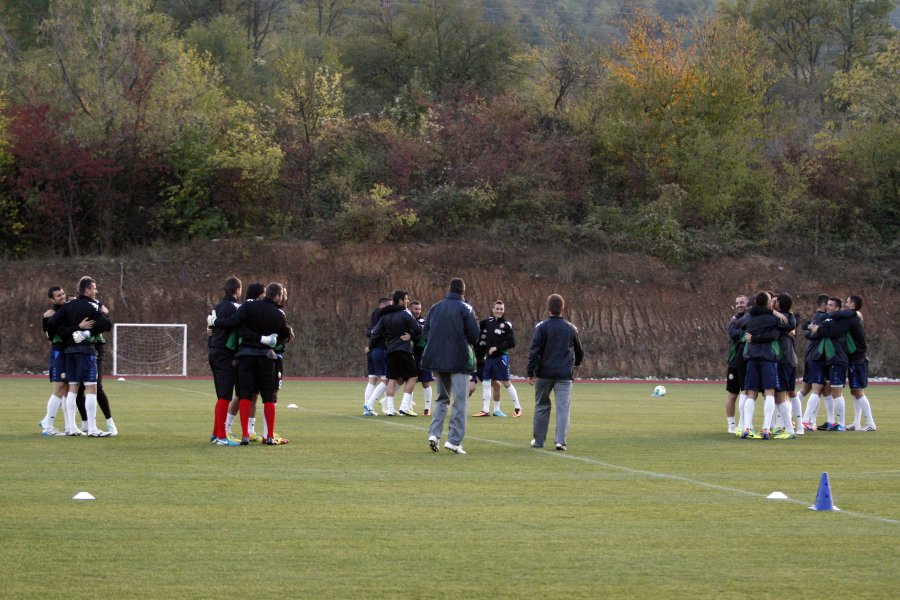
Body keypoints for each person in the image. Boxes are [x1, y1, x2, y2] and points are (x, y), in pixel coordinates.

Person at [46, 276, 113, 437]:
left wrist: (47, 319)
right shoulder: (90, 306)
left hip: (69, 353)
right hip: (85, 352)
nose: (96, 291)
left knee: (73, 389)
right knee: (91, 388)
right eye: (94, 288)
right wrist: (87, 331)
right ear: (87, 290)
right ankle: (92, 428)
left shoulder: (67, 307)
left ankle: (71, 427)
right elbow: (106, 325)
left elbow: (52, 325)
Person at [421, 278, 480, 454]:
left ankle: (434, 434)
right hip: (459, 360)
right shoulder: (466, 308)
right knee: (460, 401)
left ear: (449, 289)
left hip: (438, 360)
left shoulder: (435, 307)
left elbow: (426, 333)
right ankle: (454, 440)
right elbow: (474, 335)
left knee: (442, 398)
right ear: (463, 291)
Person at [234, 282, 293, 445]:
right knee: (269, 397)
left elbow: (239, 328)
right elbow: (282, 338)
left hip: (246, 356)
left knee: (245, 395)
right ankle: (268, 437)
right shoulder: (278, 314)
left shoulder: (248, 307)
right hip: (267, 357)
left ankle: (245, 434)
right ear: (277, 296)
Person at [526, 293, 584, 451]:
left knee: (541, 405)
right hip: (564, 375)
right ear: (562, 308)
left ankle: (538, 440)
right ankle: (560, 441)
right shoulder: (570, 328)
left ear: (548, 308)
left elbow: (534, 351)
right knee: (563, 407)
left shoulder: (541, 327)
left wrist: (531, 371)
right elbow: (580, 351)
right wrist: (576, 366)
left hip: (544, 374)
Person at [739, 292, 794, 440]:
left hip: (751, 356)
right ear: (768, 303)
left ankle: (747, 427)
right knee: (770, 392)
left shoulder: (749, 316)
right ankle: (765, 428)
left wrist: (753, 336)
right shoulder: (773, 318)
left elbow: (739, 323)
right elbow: (789, 326)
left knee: (751, 393)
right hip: (768, 357)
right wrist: (774, 313)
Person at [366, 290, 422, 416]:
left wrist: (370, 346)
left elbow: (375, 333)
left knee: (392, 379)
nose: (407, 301)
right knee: (413, 376)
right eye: (406, 299)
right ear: (401, 300)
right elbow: (418, 328)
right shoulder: (405, 313)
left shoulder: (384, 316)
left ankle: (390, 409)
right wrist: (411, 335)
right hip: (404, 350)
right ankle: (404, 406)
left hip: (390, 350)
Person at [206, 276, 243, 446]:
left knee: (221, 396)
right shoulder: (237, 307)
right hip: (226, 354)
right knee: (225, 396)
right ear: (237, 290)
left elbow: (211, 330)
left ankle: (216, 433)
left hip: (213, 351)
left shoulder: (217, 307)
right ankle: (222, 436)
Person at [809, 297, 853, 431]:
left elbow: (833, 332)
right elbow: (809, 328)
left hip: (837, 359)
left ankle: (841, 424)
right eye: (827, 305)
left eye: (832, 305)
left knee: (837, 392)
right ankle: (832, 421)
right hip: (829, 359)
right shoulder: (827, 318)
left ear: (838, 308)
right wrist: (814, 328)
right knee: (828, 390)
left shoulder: (842, 321)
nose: (828, 307)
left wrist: (818, 329)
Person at [39, 285, 70, 436]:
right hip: (59, 353)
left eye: (63, 293)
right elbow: (50, 334)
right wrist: (45, 320)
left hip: (69, 353)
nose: (62, 296)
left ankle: (68, 426)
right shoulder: (52, 314)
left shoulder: (69, 307)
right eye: (58, 295)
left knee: (67, 390)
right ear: (52, 299)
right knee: (59, 388)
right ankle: (48, 426)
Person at [798, 294, 831, 430]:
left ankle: (811, 420)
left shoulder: (815, 317)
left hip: (811, 355)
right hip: (816, 356)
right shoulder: (823, 317)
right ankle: (805, 420)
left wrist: (808, 328)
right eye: (829, 304)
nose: (830, 307)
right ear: (824, 304)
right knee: (817, 388)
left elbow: (806, 327)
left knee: (807, 389)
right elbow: (809, 331)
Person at [843, 295, 875, 431]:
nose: (845, 303)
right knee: (854, 391)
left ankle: (871, 424)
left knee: (858, 391)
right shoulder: (855, 318)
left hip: (858, 359)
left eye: (848, 301)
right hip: (855, 359)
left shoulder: (852, 319)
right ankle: (856, 423)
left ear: (853, 305)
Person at [362, 297, 391, 416]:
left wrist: (370, 346)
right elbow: (376, 333)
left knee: (372, 379)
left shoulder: (375, 314)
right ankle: (369, 405)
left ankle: (366, 408)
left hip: (372, 350)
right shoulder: (383, 315)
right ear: (383, 305)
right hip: (379, 349)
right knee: (386, 379)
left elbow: (370, 332)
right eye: (389, 305)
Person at [725, 294, 748, 434]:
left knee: (747, 393)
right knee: (732, 395)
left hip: (747, 362)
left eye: (742, 302)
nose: (739, 304)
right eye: (737, 302)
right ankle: (731, 424)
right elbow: (735, 334)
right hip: (734, 363)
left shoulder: (751, 318)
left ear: (747, 304)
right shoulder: (732, 321)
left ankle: (743, 423)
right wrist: (745, 333)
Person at [409, 301, 434, 416]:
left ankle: (427, 408)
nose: (418, 311)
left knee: (426, 382)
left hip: (423, 356)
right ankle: (408, 406)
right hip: (409, 355)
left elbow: (424, 335)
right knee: (410, 381)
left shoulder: (424, 322)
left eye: (419, 309)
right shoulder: (406, 320)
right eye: (415, 309)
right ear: (410, 309)